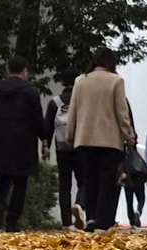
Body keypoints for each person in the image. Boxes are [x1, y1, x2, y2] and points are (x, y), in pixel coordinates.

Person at [66, 47, 136, 232]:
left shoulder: (80, 81)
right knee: (107, 181)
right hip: (109, 141)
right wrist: (129, 136)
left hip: (85, 139)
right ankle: (103, 221)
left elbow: (73, 110)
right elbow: (122, 113)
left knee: (90, 179)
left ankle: (90, 217)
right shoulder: (116, 81)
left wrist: (70, 134)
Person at [0, 55, 46, 232]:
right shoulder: (30, 92)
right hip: (23, 142)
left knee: (2, 176)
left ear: (7, 70)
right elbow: (37, 119)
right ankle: (12, 221)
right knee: (20, 182)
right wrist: (44, 140)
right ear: (25, 72)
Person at [43, 67, 84, 231]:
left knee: (64, 185)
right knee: (85, 181)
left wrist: (45, 146)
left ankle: (66, 223)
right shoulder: (83, 100)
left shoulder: (55, 102)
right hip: (81, 146)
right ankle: (80, 204)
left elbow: (48, 127)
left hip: (62, 148)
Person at [121, 146, 147, 228]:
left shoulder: (123, 151)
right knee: (141, 198)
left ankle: (131, 220)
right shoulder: (141, 150)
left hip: (128, 179)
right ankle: (138, 212)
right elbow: (145, 164)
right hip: (139, 178)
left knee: (129, 201)